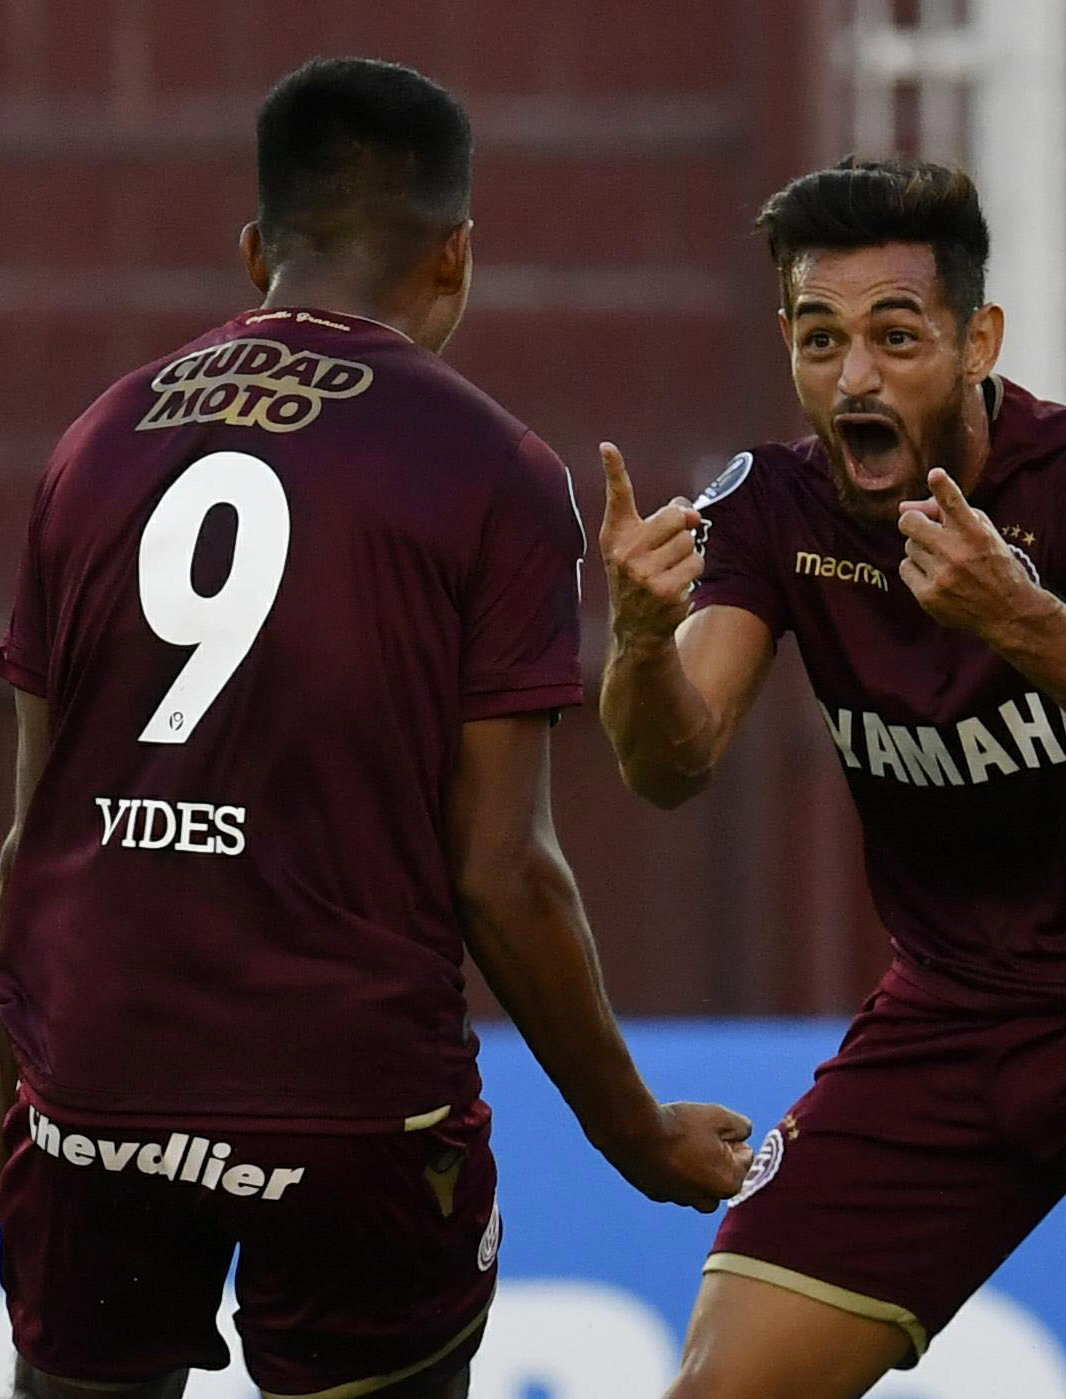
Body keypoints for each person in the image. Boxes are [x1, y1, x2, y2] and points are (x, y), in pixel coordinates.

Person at [0, 56, 752, 1399]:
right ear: (455, 254)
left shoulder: (93, 442)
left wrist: (42, 1095)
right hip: (348, 1104)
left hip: (95, 1085)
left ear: (255, 250)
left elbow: (32, 836)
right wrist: (634, 1133)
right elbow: (502, 870)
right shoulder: (492, 467)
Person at [599, 157, 1066, 1399]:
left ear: (980, 341)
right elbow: (670, 761)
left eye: (895, 336)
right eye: (820, 338)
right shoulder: (772, 508)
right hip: (950, 1010)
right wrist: (641, 648)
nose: (854, 377)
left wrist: (1015, 617)